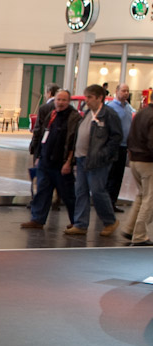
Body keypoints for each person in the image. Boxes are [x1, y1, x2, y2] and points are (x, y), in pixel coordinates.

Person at [65, 84, 123, 237]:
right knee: (81, 191)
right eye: (86, 97)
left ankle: (110, 221)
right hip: (82, 158)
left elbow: (116, 136)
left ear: (99, 98)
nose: (87, 100)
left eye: (90, 97)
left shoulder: (108, 114)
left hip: (98, 161)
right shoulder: (86, 114)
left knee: (97, 191)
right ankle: (80, 223)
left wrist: (104, 154)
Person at [20, 90, 79, 230]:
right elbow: (42, 136)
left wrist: (69, 162)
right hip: (46, 162)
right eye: (58, 99)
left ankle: (76, 222)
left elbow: (73, 142)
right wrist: (39, 156)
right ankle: (37, 219)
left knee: (68, 194)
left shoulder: (74, 118)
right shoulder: (51, 115)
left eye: (64, 100)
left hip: (62, 163)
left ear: (69, 101)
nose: (60, 102)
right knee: (42, 192)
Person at [121, 101, 153, 246]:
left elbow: (130, 136)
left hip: (135, 160)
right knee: (150, 199)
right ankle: (140, 235)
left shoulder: (141, 113)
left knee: (141, 196)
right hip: (148, 162)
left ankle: (130, 228)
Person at [104, 83, 135, 211]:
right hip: (113, 146)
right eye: (123, 90)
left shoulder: (128, 108)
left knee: (118, 176)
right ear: (117, 91)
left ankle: (113, 202)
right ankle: (106, 204)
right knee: (110, 175)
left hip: (124, 147)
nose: (126, 93)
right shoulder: (111, 108)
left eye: (127, 91)